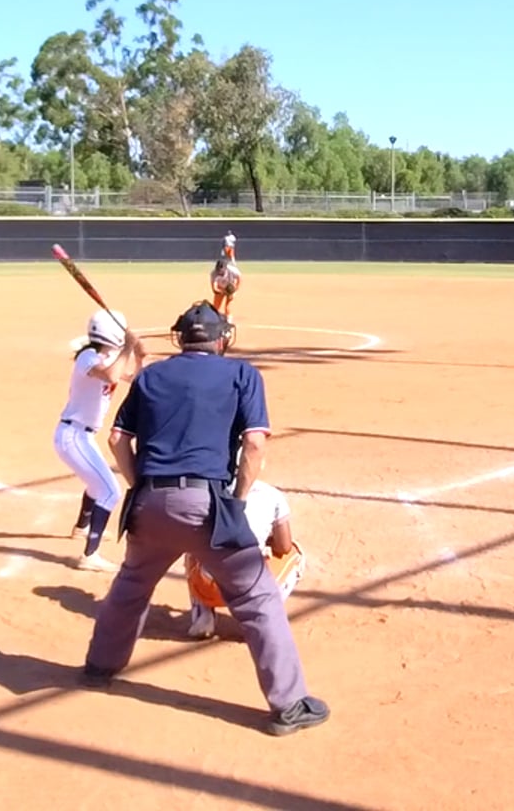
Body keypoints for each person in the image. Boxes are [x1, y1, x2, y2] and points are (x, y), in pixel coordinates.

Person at [81, 301, 329, 737]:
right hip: (209, 504)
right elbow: (254, 444)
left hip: (149, 504)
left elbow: (118, 438)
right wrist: (238, 500)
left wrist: (142, 487)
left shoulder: (151, 376)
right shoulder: (242, 374)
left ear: (181, 337)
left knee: (131, 585)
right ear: (221, 339)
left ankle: (100, 667)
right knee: (257, 597)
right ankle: (289, 705)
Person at [58, 310, 146, 571]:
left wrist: (139, 356)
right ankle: (90, 556)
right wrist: (128, 346)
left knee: (97, 482)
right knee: (109, 491)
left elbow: (135, 380)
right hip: (73, 435)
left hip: (82, 436)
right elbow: (110, 376)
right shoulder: (88, 356)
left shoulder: (107, 358)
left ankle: (82, 527)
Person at [184, 478, 305, 640]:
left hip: (209, 587)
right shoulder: (271, 494)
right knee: (295, 553)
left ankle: (203, 616)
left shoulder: (207, 492)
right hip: (250, 588)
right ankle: (263, 617)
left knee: (193, 548)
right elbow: (284, 547)